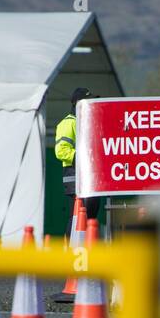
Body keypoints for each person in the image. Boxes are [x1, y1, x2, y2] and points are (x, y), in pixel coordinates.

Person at [55, 87, 100, 235]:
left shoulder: (88, 122)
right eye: (88, 100)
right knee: (79, 214)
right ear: (78, 103)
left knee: (90, 214)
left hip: (89, 177)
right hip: (75, 176)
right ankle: (72, 247)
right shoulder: (68, 123)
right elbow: (61, 150)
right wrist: (85, 159)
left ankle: (86, 247)